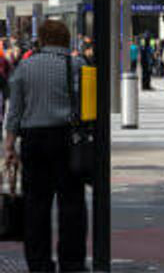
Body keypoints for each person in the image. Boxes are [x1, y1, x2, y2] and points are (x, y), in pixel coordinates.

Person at [3, 20, 87, 272]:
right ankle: (71, 263)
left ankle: (39, 263)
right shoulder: (77, 65)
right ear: (65, 39)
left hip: (34, 141)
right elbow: (86, 107)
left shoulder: (25, 67)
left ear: (41, 38)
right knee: (71, 204)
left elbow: (15, 111)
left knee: (36, 206)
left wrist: (9, 147)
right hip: (67, 140)